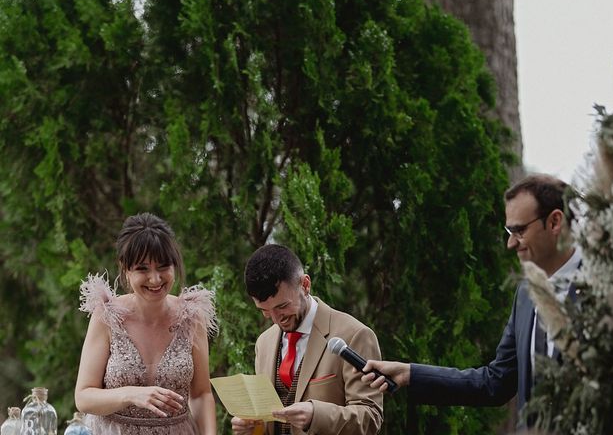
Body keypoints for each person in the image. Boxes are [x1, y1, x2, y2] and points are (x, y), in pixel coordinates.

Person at [360, 174, 582, 427]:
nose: (510, 243)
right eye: (509, 231)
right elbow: (495, 383)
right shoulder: (525, 295)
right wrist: (410, 373)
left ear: (554, 222)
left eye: (519, 230)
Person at [75, 213, 218, 434]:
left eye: (163, 267)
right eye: (142, 269)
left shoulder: (192, 317)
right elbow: (84, 396)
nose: (155, 279)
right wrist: (131, 394)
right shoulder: (106, 315)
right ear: (125, 268)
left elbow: (201, 394)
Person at [231, 244, 383, 435]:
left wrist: (316, 415)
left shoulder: (355, 335)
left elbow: (370, 418)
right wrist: (253, 427)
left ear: (305, 285)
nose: (277, 319)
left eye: (283, 306)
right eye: (265, 311)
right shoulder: (264, 343)